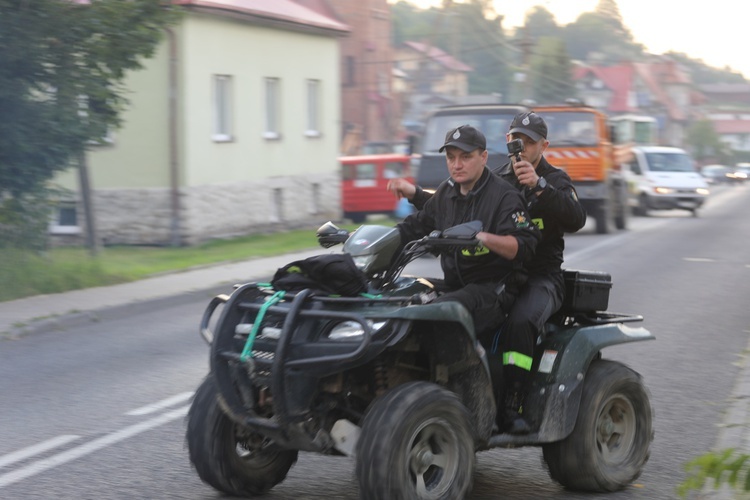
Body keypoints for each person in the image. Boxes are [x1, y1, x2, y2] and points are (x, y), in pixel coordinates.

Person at [389, 112, 586, 433]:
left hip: (540, 275)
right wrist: (414, 195)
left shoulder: (556, 180)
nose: (519, 146)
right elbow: (448, 206)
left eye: (528, 141)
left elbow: (577, 218)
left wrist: (540, 186)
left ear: (544, 145)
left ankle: (514, 402)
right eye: (514, 139)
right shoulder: (497, 179)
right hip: (501, 271)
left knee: (521, 321)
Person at [396, 124, 540, 356]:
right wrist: (369, 241)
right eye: (451, 158)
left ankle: (470, 368)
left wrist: (482, 238)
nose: (457, 164)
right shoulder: (446, 193)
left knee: (444, 311)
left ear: (483, 157)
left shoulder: (504, 196)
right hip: (456, 285)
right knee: (400, 299)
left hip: (493, 290)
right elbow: (415, 226)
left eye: (465, 157)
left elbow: (524, 246)